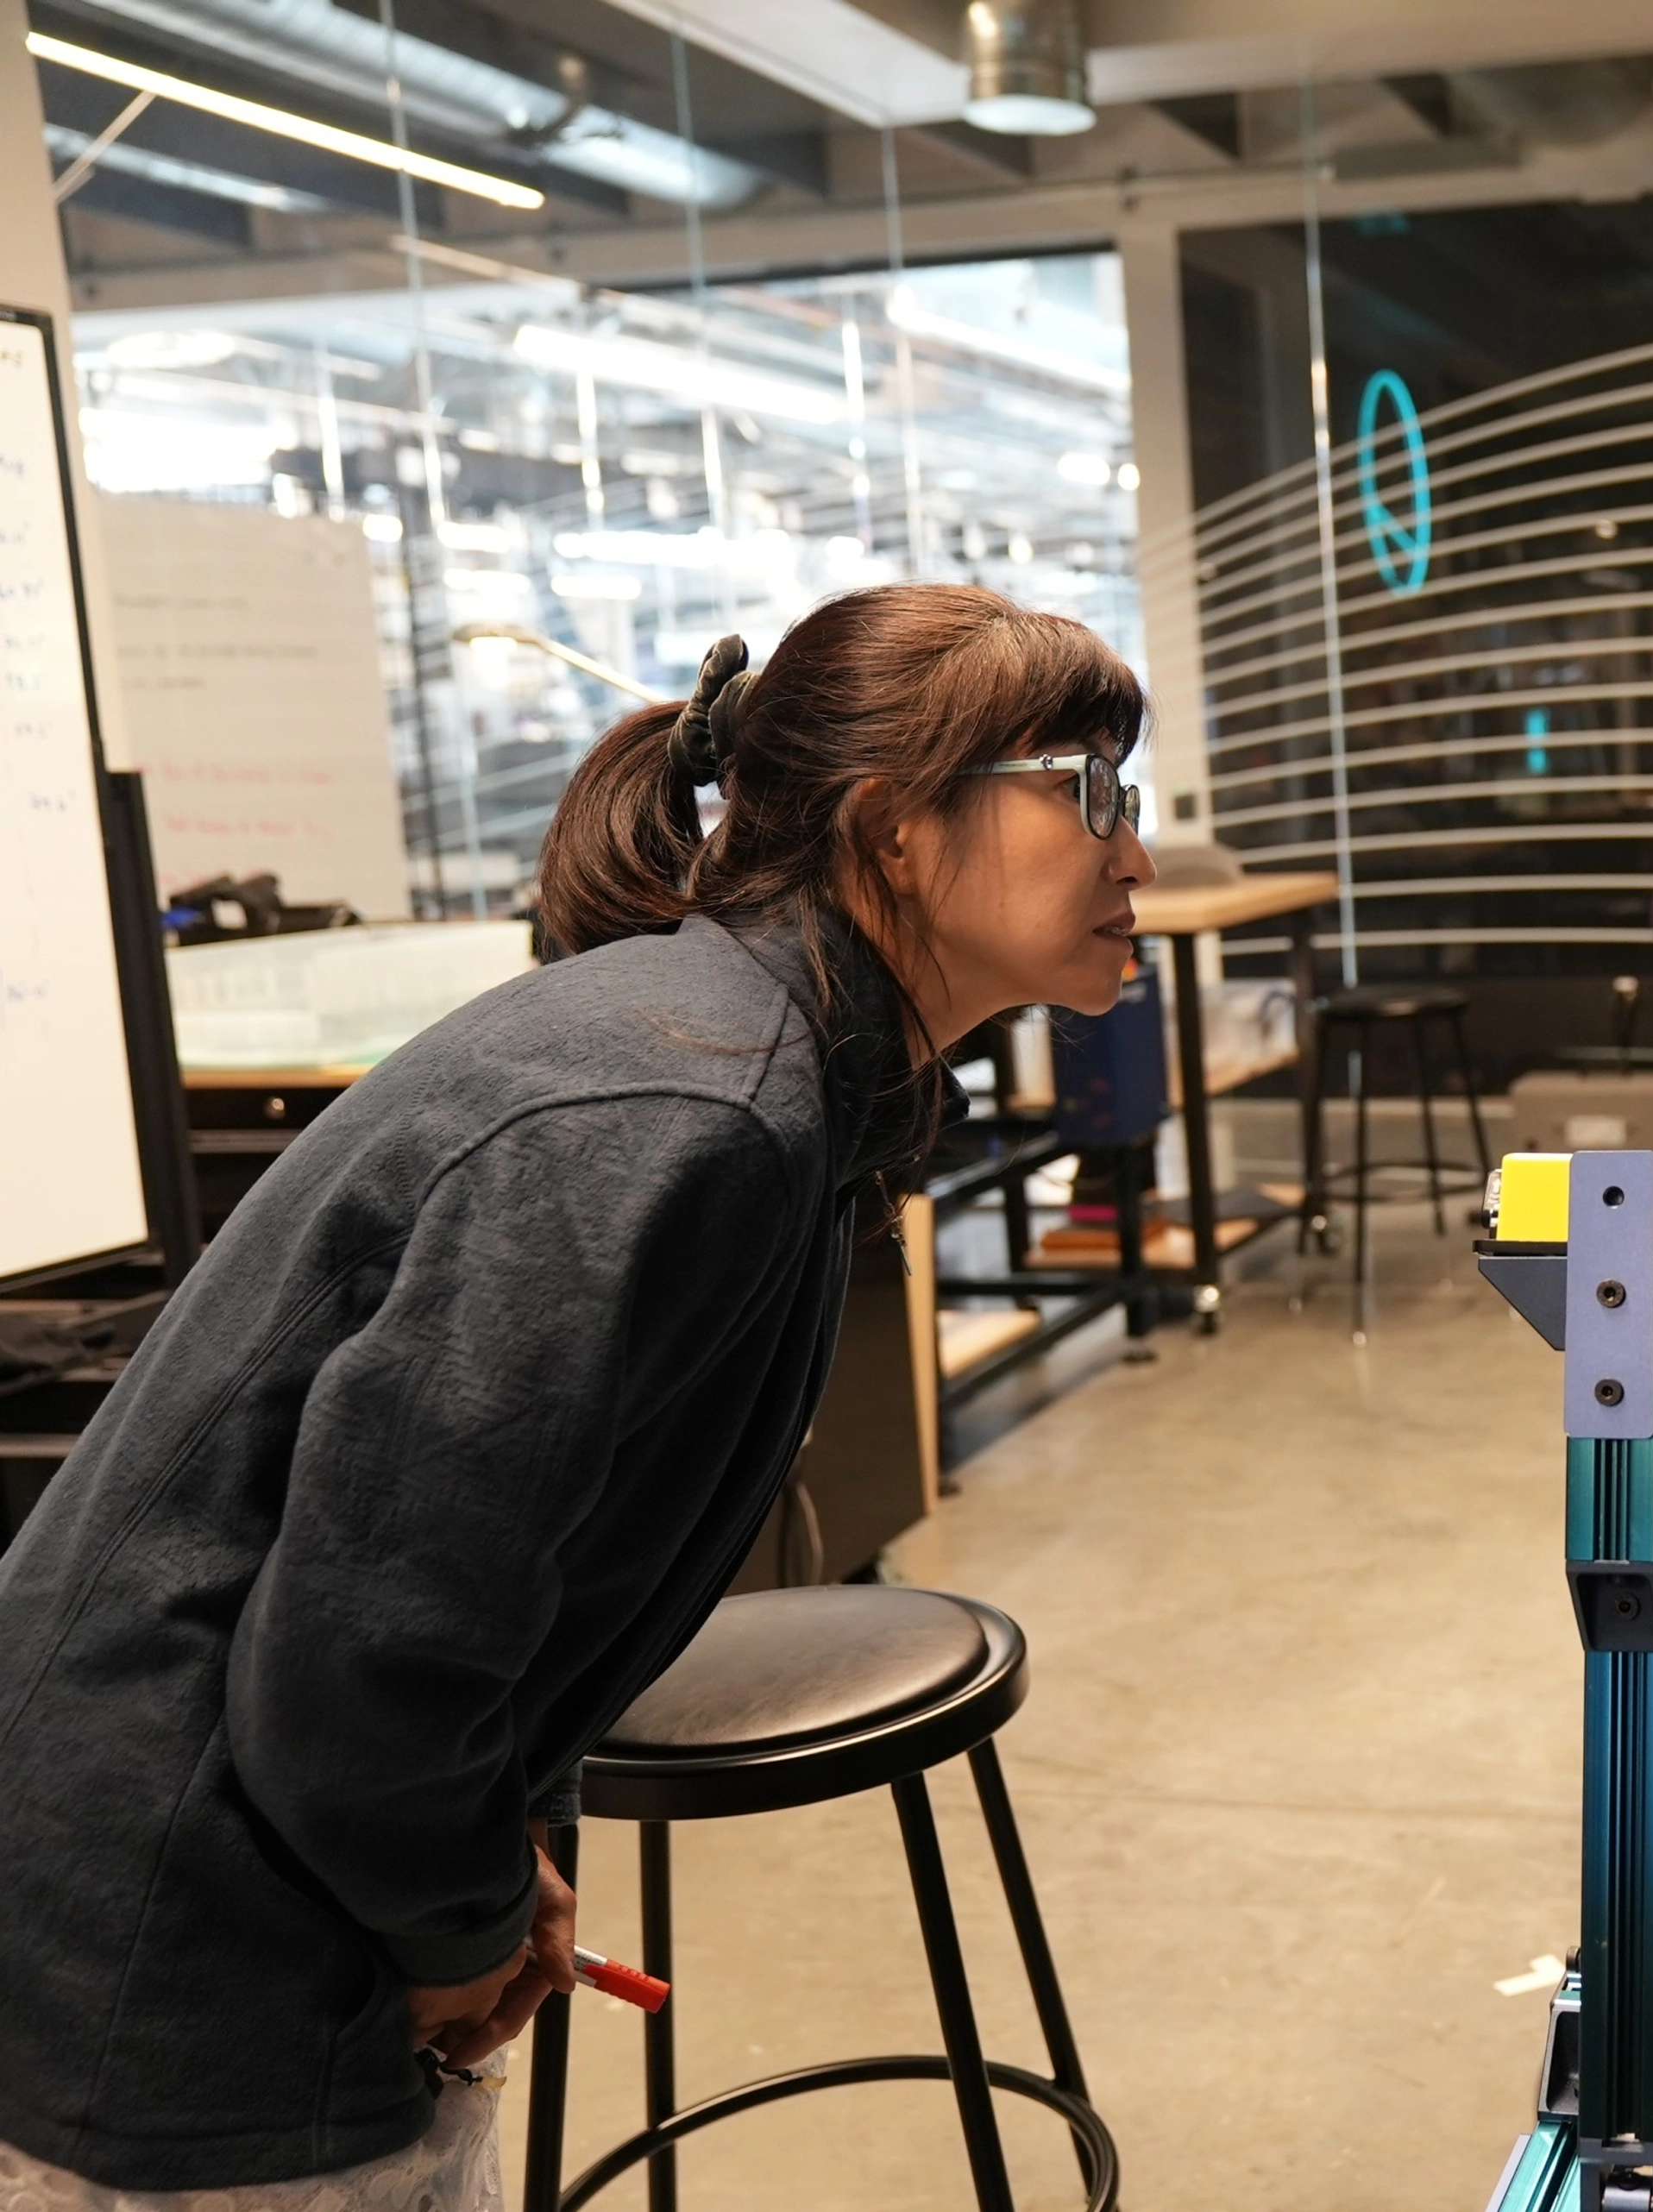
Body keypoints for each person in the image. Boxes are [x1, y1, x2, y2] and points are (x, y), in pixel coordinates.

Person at [0, 583, 1153, 2207]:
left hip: (283, 1882)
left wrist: (505, 1849)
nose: (1137, 854)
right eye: (1088, 789)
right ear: (894, 827)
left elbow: (513, 1572)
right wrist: (462, 1914)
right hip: (177, 1946)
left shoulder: (777, 1064)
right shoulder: (686, 1110)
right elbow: (361, 1655)